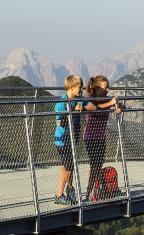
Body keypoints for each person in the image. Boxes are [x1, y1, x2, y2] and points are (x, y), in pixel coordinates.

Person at [81, 75, 122, 201]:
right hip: (90, 137)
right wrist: (110, 103)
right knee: (94, 164)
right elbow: (93, 108)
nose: (108, 90)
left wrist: (120, 107)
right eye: (106, 87)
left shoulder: (106, 99)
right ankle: (90, 191)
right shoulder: (90, 99)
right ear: (98, 88)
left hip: (101, 137)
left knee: (98, 164)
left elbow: (120, 104)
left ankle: (96, 188)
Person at [53, 75, 86, 206]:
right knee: (68, 167)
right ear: (71, 87)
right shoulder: (62, 103)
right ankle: (60, 194)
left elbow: (90, 105)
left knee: (67, 166)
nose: (81, 89)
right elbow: (60, 122)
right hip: (63, 140)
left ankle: (68, 190)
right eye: (79, 87)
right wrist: (73, 110)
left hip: (72, 139)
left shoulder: (78, 99)